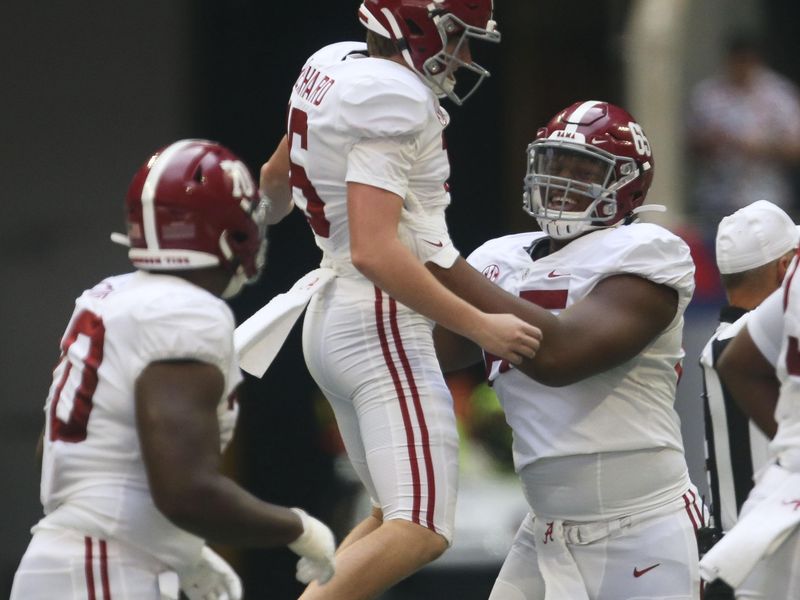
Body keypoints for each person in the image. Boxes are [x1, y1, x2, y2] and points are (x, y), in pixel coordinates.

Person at [257, 1, 542, 598]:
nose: (464, 58)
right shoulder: (394, 96)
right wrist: (483, 327)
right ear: (420, 27)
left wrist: (270, 226)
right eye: (458, 39)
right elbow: (376, 252)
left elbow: (273, 183)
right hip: (377, 318)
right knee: (422, 528)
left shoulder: (331, 62)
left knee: (394, 515)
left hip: (332, 315)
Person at [10, 140, 336, 600]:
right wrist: (297, 528)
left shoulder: (109, 295)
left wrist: (169, 546)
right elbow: (187, 494)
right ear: (229, 233)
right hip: (105, 569)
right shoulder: (186, 312)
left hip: (74, 560)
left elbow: (64, 450)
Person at [434, 100, 705, 600]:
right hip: (546, 530)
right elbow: (435, 354)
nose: (562, 181)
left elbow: (560, 357)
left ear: (629, 184)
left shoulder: (648, 251)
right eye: (555, 164)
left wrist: (439, 261)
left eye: (584, 169)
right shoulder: (497, 257)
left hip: (641, 528)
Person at [698, 200, 799, 599]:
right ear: (782, 269)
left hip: (732, 555)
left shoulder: (716, 343)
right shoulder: (755, 348)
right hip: (775, 551)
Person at [686, 32, 800, 226]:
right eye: (736, 62)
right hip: (717, 199)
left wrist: (762, 147)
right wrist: (711, 142)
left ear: (756, 61)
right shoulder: (708, 94)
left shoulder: (779, 95)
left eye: (746, 62)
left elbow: (795, 148)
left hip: (765, 196)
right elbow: (689, 145)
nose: (741, 68)